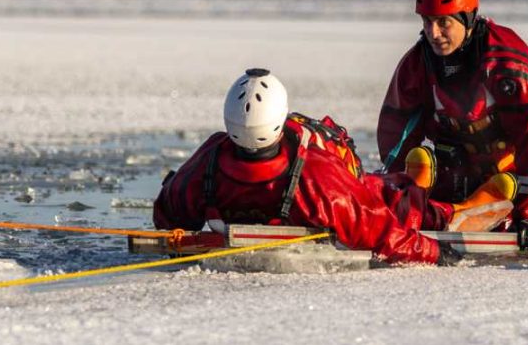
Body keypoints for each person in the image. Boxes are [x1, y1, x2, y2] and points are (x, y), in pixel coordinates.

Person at [153, 68, 508, 266]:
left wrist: (175, 238)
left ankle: (420, 191)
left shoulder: (209, 161)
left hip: (319, 172)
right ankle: (442, 210)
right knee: (378, 195)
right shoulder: (315, 176)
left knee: (374, 190)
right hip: (332, 178)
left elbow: (169, 210)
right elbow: (379, 229)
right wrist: (434, 252)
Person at [377, 0, 528, 251]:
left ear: (467, 19)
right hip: (459, 165)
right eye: (427, 22)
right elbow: (395, 133)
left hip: (513, 169)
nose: (433, 33)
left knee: (506, 198)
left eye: (443, 23)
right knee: (419, 159)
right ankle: (427, 212)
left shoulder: (507, 65)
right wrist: (391, 194)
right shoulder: (417, 65)